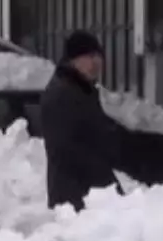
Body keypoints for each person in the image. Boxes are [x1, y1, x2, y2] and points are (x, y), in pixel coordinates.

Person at [40, 30, 124, 211]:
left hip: (88, 193)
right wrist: (105, 182)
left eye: (98, 56)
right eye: (88, 56)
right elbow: (65, 150)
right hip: (74, 198)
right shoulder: (61, 94)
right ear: (72, 60)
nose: (95, 62)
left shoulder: (82, 90)